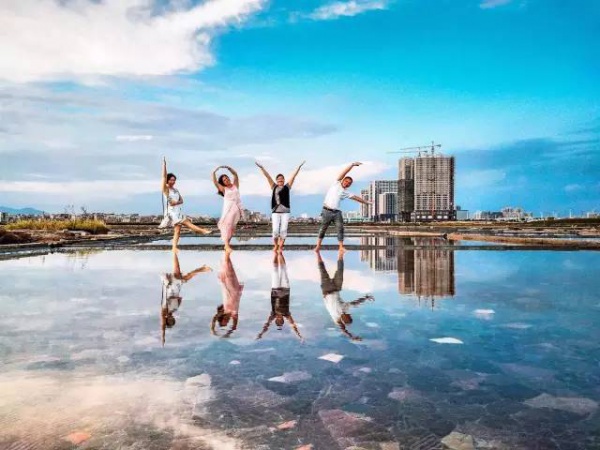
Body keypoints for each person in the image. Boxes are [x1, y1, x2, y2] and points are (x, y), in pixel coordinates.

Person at [315, 162, 372, 253]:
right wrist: (352, 165)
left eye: (349, 183)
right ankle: (317, 247)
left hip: (337, 212)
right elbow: (343, 173)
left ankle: (341, 247)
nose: (347, 183)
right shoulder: (336, 184)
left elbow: (356, 198)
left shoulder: (346, 192)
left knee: (340, 228)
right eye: (346, 181)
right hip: (326, 211)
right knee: (323, 229)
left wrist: (366, 202)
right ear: (343, 180)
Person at [317, 251, 374, 341]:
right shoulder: (345, 309)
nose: (349, 314)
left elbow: (343, 329)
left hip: (326, 289)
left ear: (345, 319)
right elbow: (355, 303)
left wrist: (351, 337)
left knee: (322, 270)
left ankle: (317, 253)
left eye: (348, 316)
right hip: (336, 288)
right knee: (340, 270)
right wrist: (365, 298)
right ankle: (341, 253)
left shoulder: (336, 318)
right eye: (349, 315)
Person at [161, 251, 212, 346]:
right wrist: (176, 300)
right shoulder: (174, 309)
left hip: (171, 286)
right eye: (173, 320)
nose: (172, 318)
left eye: (170, 320)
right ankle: (203, 268)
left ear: (167, 320)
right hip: (176, 287)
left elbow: (162, 325)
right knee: (188, 275)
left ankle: (174, 250)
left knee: (180, 270)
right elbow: (179, 299)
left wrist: (163, 336)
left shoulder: (165, 310)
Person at [160, 157, 211, 250]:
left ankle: (174, 247)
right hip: (172, 213)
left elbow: (181, 200)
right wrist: (164, 165)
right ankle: (202, 231)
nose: (173, 181)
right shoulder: (165, 189)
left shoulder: (176, 190)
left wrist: (175, 202)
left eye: (174, 180)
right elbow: (163, 176)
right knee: (187, 223)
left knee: (177, 231)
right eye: (171, 179)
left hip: (178, 211)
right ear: (167, 180)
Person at [255, 160, 305, 252]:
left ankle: (281, 246)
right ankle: (275, 245)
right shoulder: (273, 186)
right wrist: (262, 168)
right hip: (275, 211)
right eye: (278, 179)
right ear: (277, 180)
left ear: (284, 180)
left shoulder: (287, 187)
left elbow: (293, 176)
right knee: (275, 230)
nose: (280, 180)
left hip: (285, 212)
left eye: (282, 179)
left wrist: (299, 167)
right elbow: (267, 176)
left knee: (283, 229)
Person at [256, 253, 303, 341]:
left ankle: (275, 253)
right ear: (282, 319)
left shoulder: (273, 314)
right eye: (280, 320)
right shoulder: (287, 314)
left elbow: (267, 325)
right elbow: (293, 324)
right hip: (285, 289)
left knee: (275, 271)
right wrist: (299, 335)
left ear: (276, 320)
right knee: (283, 270)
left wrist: (261, 333)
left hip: (275, 290)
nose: (279, 318)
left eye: (278, 320)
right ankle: (280, 253)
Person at [211, 253, 243, 338]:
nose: (227, 320)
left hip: (228, 287)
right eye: (227, 322)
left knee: (227, 269)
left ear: (222, 318)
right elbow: (234, 326)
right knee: (230, 268)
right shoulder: (234, 314)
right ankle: (227, 249)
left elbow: (214, 318)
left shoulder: (224, 311)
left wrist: (213, 330)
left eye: (224, 321)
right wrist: (228, 333)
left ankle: (226, 249)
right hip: (235, 289)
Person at [212, 165, 243, 254]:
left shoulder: (235, 186)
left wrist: (229, 168)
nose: (226, 180)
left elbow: (236, 175)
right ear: (223, 183)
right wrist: (214, 172)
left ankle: (227, 245)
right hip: (228, 210)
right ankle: (226, 245)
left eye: (227, 178)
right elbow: (214, 182)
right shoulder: (224, 189)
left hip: (236, 210)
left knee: (232, 229)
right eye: (224, 180)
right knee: (227, 226)